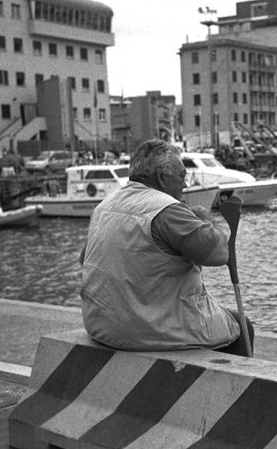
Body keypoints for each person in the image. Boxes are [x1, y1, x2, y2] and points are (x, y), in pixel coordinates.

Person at [80, 139, 254, 355]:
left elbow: (84, 260)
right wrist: (202, 219)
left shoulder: (104, 206)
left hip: (102, 326)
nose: (185, 184)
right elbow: (219, 254)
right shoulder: (167, 209)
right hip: (146, 332)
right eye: (181, 176)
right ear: (162, 177)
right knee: (243, 326)